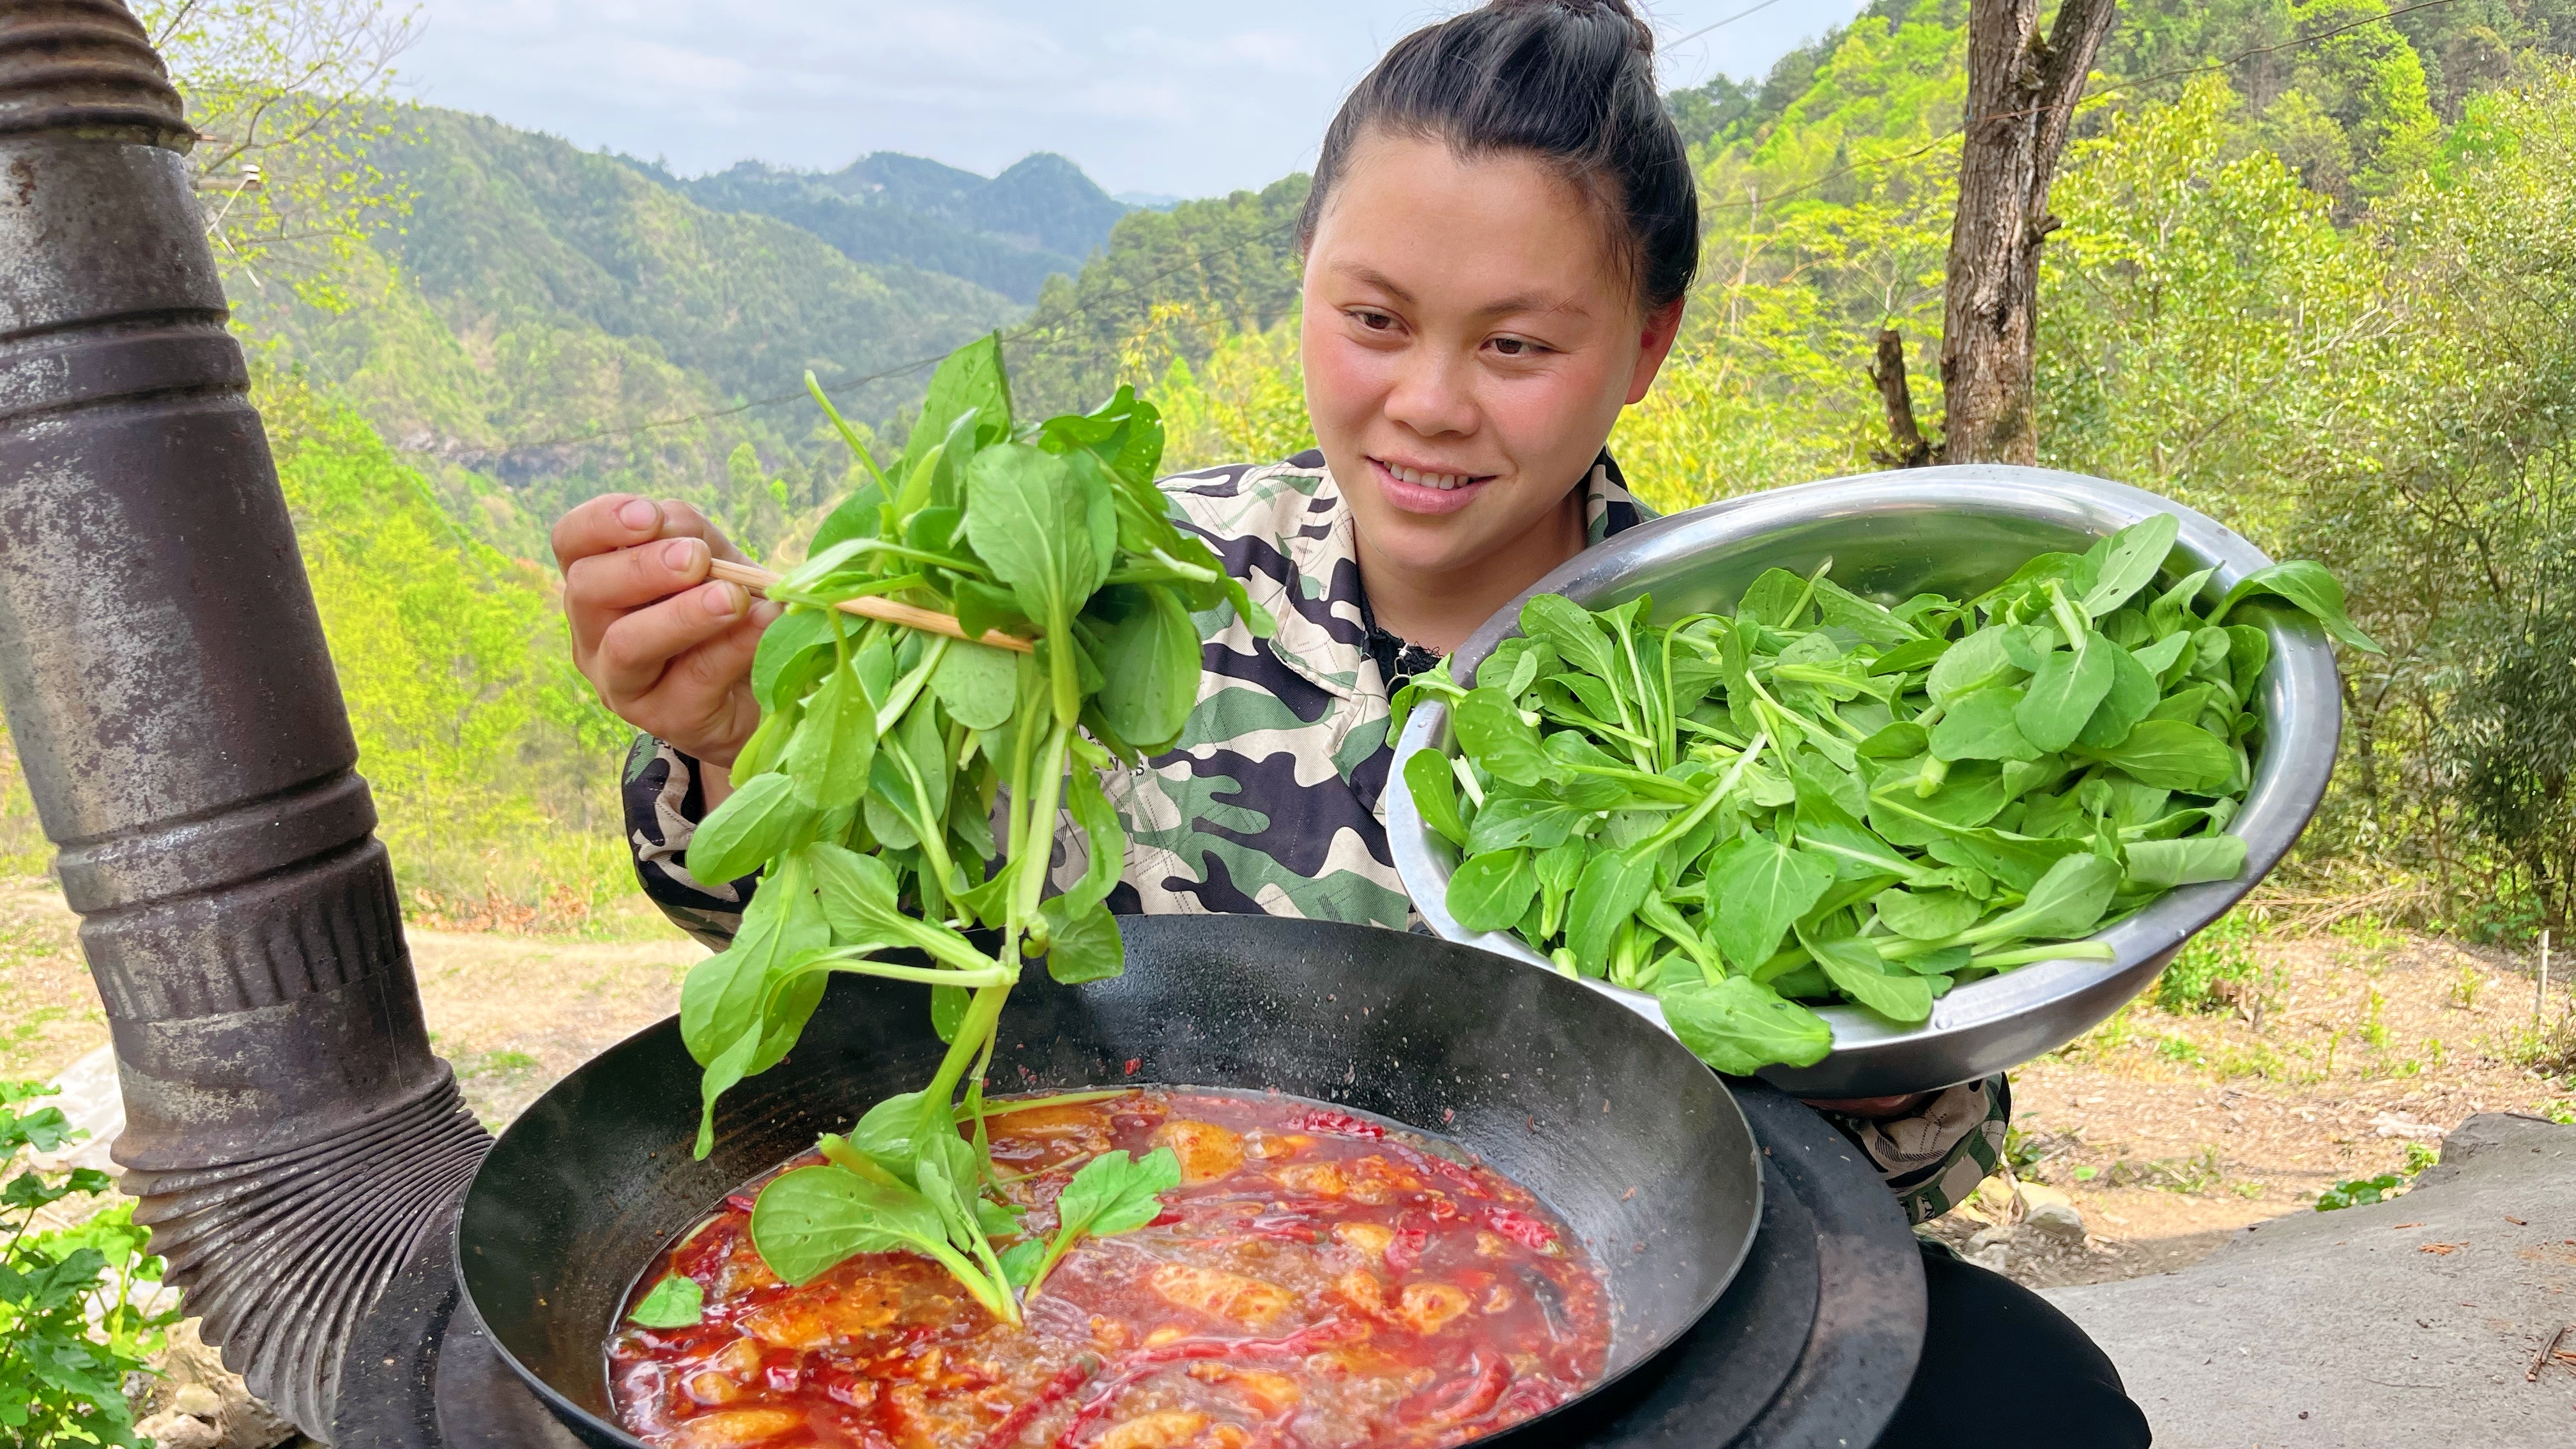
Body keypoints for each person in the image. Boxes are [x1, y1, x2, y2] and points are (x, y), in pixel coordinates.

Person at [549, 2, 2149, 1443]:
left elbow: (1900, 1165)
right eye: (1373, 321)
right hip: (1079, 1287)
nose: (1431, 403)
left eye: (1517, 345)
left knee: (2038, 1401)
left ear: (1646, 345)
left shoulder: (1726, 692)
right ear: (1302, 279)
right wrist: (732, 749)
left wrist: (1882, 1063)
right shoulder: (1111, 589)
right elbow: (871, 986)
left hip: (1571, 1310)